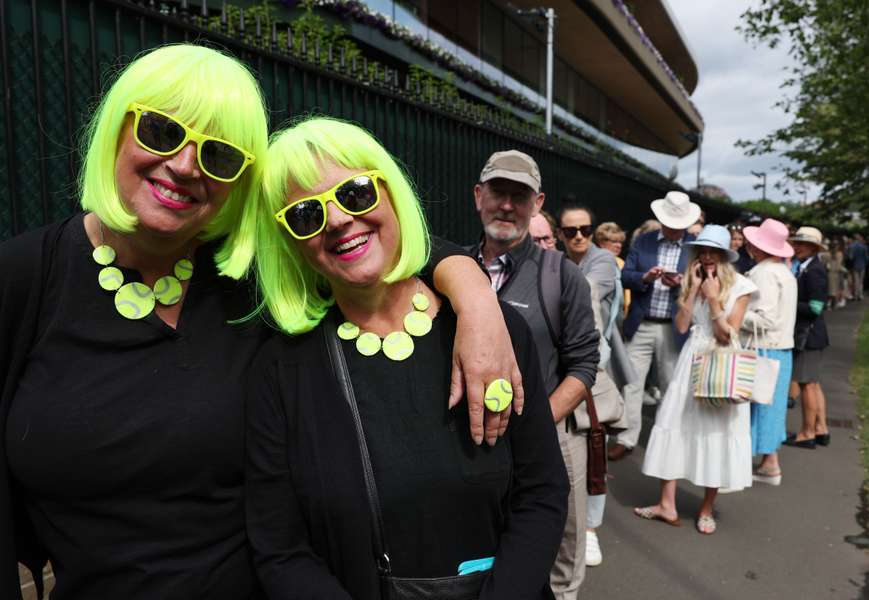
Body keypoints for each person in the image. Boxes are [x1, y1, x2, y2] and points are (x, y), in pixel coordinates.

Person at [0, 45, 524, 599]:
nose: (183, 164)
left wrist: (472, 290)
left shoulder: (248, 284)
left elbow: (366, 248)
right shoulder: (25, 279)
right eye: (160, 130)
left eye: (220, 156)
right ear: (117, 128)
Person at [245, 118, 569, 600]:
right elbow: (279, 547)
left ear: (390, 191)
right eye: (305, 215)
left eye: (355, 193)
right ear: (291, 241)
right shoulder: (281, 367)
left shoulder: (491, 333)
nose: (336, 221)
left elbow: (541, 493)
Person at [467, 150, 600, 600]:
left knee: (562, 545)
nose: (507, 205)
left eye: (519, 197)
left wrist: (535, 424)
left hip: (548, 436)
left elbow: (584, 366)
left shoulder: (562, 277)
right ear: (478, 196)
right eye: (498, 193)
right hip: (470, 438)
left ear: (537, 204)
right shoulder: (452, 270)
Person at [635, 225, 757, 534]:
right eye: (701, 251)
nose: (706, 257)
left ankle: (706, 509)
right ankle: (667, 504)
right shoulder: (694, 279)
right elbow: (680, 326)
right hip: (691, 359)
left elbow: (728, 334)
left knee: (715, 433)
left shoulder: (742, 286)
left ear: (724, 256)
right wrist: (690, 293)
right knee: (673, 422)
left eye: (712, 252)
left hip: (721, 361)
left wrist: (714, 300)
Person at [557, 204, 634, 568]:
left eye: (584, 229)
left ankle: (590, 530)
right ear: (560, 233)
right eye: (570, 230)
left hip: (596, 371)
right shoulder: (556, 260)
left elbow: (587, 291)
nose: (578, 236)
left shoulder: (601, 261)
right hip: (562, 371)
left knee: (596, 450)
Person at [609, 191, 699, 461]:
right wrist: (645, 278)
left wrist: (681, 284)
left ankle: (669, 441)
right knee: (632, 384)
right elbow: (626, 276)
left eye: (677, 223)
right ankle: (626, 439)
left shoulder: (694, 246)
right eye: (668, 222)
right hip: (642, 323)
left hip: (675, 327)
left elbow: (702, 282)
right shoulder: (644, 241)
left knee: (671, 385)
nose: (672, 228)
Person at [739, 219, 797, 485]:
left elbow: (765, 319)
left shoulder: (764, 273)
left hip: (762, 348)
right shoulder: (785, 272)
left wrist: (736, 312)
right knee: (770, 407)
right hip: (781, 348)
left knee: (753, 406)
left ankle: (745, 466)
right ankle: (769, 463)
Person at [784, 227, 830, 449]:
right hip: (812, 334)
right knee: (813, 383)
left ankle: (807, 432)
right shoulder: (807, 267)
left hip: (808, 335)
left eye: (801, 244)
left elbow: (815, 307)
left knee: (807, 385)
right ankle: (820, 429)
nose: (796, 246)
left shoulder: (814, 270)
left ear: (813, 247)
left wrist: (786, 301)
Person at [594, 221, 630, 317]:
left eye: (620, 242)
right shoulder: (594, 261)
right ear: (601, 243)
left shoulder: (622, 263)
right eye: (614, 241)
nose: (619, 245)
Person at [847, 234, 868, 300]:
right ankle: (860, 295)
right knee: (861, 281)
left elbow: (850, 257)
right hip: (862, 265)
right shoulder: (864, 247)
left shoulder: (851, 246)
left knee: (856, 281)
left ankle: (855, 295)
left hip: (855, 265)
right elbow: (866, 258)